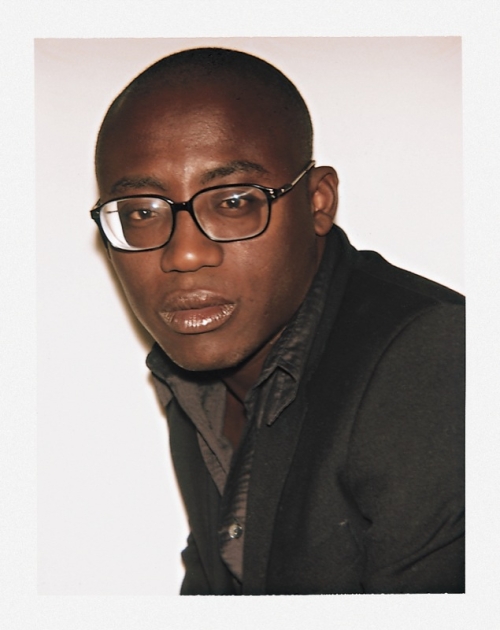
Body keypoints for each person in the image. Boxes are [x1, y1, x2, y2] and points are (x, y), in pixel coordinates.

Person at [91, 47, 464, 595]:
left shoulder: (432, 360)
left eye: (234, 201)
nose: (184, 254)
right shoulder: (196, 383)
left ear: (317, 202)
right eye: (142, 212)